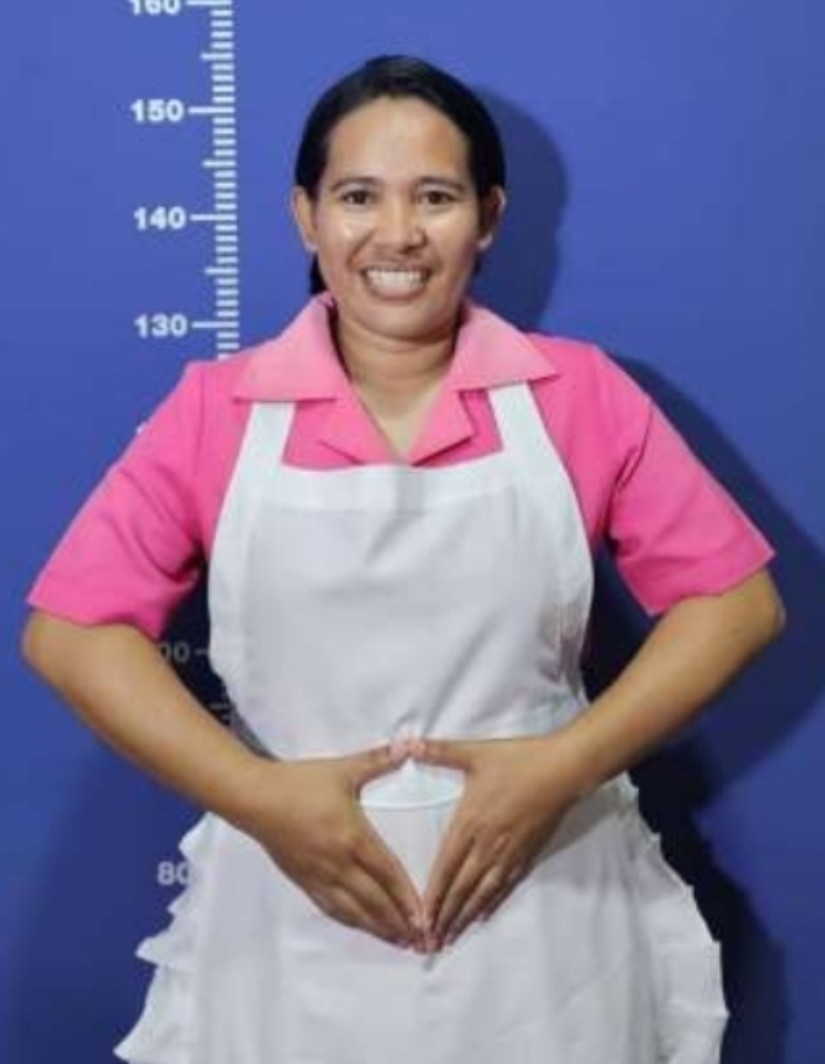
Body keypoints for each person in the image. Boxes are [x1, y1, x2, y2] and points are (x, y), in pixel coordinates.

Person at [22, 54, 783, 1064]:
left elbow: (736, 604)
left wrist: (562, 766)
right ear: (305, 216)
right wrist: (259, 798)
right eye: (356, 196)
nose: (397, 234)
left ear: (489, 215)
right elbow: (72, 632)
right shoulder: (217, 411)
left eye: (435, 196)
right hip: (290, 926)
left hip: (552, 920)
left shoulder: (577, 395)